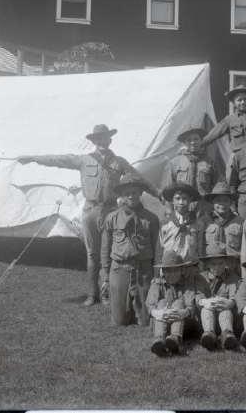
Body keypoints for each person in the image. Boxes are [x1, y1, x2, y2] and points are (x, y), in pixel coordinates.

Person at [16, 124, 162, 307]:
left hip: (111, 211)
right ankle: (93, 294)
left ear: (110, 140)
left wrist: (159, 194)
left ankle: (108, 293)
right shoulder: (83, 160)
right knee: (92, 255)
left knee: (109, 253)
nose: (102, 141)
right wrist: (31, 158)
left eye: (105, 138)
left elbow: (139, 179)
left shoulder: (119, 162)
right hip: (90, 211)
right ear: (94, 141)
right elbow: (56, 159)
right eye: (98, 139)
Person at [100, 174, 160, 327]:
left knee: (146, 321)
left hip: (143, 269)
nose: (131, 196)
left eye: (134, 192)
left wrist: (156, 275)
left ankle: (140, 310)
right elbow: (105, 248)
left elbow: (157, 247)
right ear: (122, 196)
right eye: (126, 193)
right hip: (120, 268)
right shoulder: (112, 218)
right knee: (119, 322)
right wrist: (106, 276)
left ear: (141, 193)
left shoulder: (151, 218)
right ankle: (125, 309)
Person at [146, 250, 208, 357]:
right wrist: (159, 313)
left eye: (176, 270)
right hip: (161, 321)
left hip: (183, 324)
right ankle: (159, 339)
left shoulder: (188, 283)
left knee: (179, 303)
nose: (172, 274)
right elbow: (150, 305)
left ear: (182, 270)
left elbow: (191, 306)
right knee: (162, 302)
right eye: (169, 271)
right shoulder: (157, 283)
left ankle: (175, 339)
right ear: (163, 271)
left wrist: (181, 313)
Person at [167, 127, 222, 218]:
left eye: (196, 139)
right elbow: (170, 187)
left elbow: (218, 187)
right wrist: (169, 209)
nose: (192, 142)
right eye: (189, 140)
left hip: (203, 208)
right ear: (185, 143)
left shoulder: (211, 162)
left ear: (201, 140)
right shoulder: (175, 162)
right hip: (182, 206)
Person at [197, 242, 241, 351]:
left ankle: (227, 335)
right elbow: (198, 297)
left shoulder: (233, 278)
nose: (217, 267)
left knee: (225, 308)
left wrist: (227, 302)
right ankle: (209, 335)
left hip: (227, 318)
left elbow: (234, 298)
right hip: (206, 319)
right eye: (213, 264)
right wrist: (207, 302)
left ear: (226, 262)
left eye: (220, 263)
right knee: (206, 307)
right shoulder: (200, 278)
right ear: (207, 264)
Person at [156, 181, 205, 279]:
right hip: (170, 271)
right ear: (172, 201)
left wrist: (201, 272)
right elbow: (159, 250)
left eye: (184, 198)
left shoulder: (198, 224)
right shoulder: (165, 224)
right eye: (177, 199)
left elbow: (200, 251)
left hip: (190, 270)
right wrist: (156, 275)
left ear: (191, 199)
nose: (181, 202)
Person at [199, 182, 243, 279]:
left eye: (225, 201)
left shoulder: (240, 222)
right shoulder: (204, 222)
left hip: (234, 271)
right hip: (210, 271)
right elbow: (199, 249)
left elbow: (245, 249)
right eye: (218, 201)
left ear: (231, 203)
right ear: (212, 202)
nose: (222, 204)